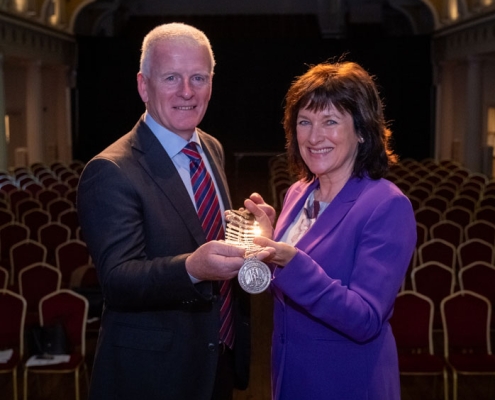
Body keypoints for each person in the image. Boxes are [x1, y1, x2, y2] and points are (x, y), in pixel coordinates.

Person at [77, 22, 254, 400]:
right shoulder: (110, 170)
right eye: (172, 78)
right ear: (143, 85)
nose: (187, 92)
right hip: (154, 375)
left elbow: (202, 230)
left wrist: (251, 231)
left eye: (198, 78)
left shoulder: (211, 148)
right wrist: (192, 269)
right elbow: (118, 281)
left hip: (216, 358)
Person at [244, 60, 417, 399]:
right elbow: (286, 292)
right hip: (290, 376)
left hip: (347, 381)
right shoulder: (298, 192)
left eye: (330, 122)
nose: (313, 136)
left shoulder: (386, 205)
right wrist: (267, 249)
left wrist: (292, 261)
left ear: (363, 130)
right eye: (304, 122)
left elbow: (365, 319)